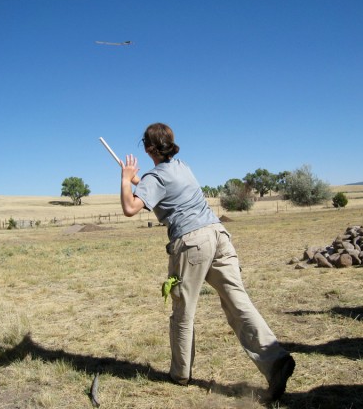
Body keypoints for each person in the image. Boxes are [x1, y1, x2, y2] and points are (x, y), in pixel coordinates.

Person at [119, 122, 295, 402]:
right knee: (238, 301)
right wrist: (140, 181)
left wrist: (125, 178)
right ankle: (276, 360)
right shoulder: (182, 167)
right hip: (218, 235)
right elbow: (161, 191)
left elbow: (130, 208)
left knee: (183, 309)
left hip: (191, 243)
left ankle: (180, 375)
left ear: (149, 147)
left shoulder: (156, 177)